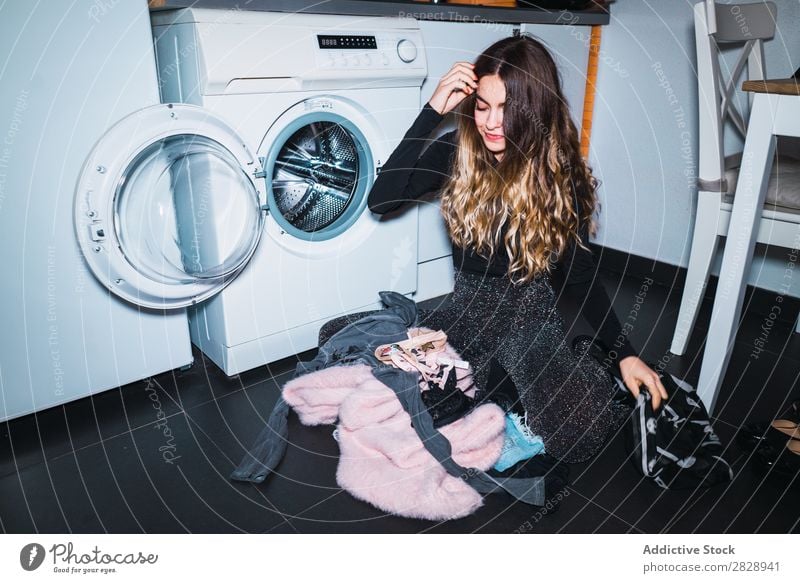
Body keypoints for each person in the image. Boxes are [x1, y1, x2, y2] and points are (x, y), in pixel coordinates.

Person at [325, 35, 667, 463]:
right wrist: (433, 111)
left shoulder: (559, 179)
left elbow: (581, 279)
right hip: (466, 316)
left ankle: (559, 375)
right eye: (482, 106)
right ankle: (496, 393)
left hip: (530, 324)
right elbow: (383, 199)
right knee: (339, 339)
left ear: (535, 112)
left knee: (579, 436)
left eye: (506, 110)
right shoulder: (460, 153)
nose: (490, 122)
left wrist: (626, 355)